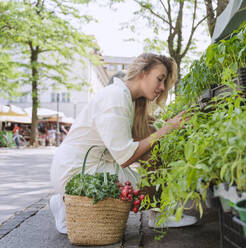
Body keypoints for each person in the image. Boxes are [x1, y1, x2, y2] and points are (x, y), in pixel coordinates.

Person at [49, 53, 197, 234]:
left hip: (80, 167)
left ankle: (66, 206)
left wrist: (156, 129)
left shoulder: (126, 98)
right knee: (146, 188)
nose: (162, 87)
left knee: (152, 161)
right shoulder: (116, 99)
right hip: (76, 171)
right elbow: (126, 156)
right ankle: (69, 202)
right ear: (143, 73)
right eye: (159, 79)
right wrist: (165, 129)